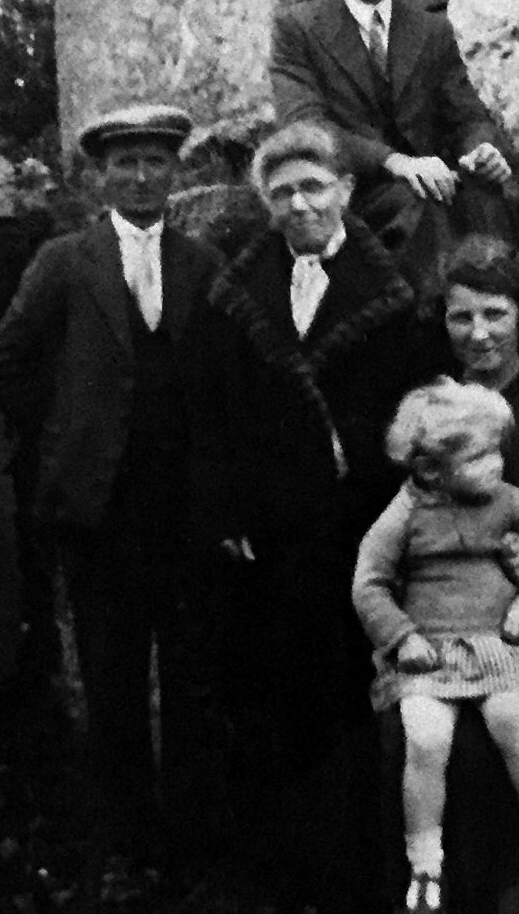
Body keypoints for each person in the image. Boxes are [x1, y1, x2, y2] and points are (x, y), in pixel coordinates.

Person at [0, 104, 225, 876]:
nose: (142, 177)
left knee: (191, 673)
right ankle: (127, 843)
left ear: (175, 171)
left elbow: (225, 377)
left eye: (156, 162)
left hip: (182, 508)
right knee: (112, 676)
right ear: (101, 176)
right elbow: (2, 369)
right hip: (102, 512)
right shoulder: (64, 262)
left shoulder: (202, 263)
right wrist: (68, 434)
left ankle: (191, 839)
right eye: (126, 164)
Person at [192, 120, 422, 910]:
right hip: (271, 533)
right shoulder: (237, 291)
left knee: (349, 695)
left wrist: (346, 444)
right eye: (283, 192)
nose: (300, 205)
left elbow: (406, 410)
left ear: (345, 191)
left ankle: (359, 872)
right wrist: (225, 505)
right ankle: (284, 871)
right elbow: (211, 407)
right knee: (272, 693)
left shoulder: (390, 295)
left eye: (314, 187)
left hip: (356, 528)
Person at [354, 378, 519, 914]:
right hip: (430, 651)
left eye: (497, 451)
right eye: (479, 457)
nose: (496, 464)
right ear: (432, 469)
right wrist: (402, 637)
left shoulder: (508, 500)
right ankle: (424, 869)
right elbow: (369, 583)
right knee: (425, 739)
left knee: (510, 718)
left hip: (497, 641)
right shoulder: (405, 513)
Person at [269, 0, 512, 287]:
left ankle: (499, 305)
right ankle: (430, 316)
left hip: (427, 183)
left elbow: (468, 115)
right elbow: (307, 129)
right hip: (348, 192)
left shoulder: (431, 30)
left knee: (486, 195)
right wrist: (395, 162)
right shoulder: (298, 29)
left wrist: (481, 149)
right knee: (420, 205)